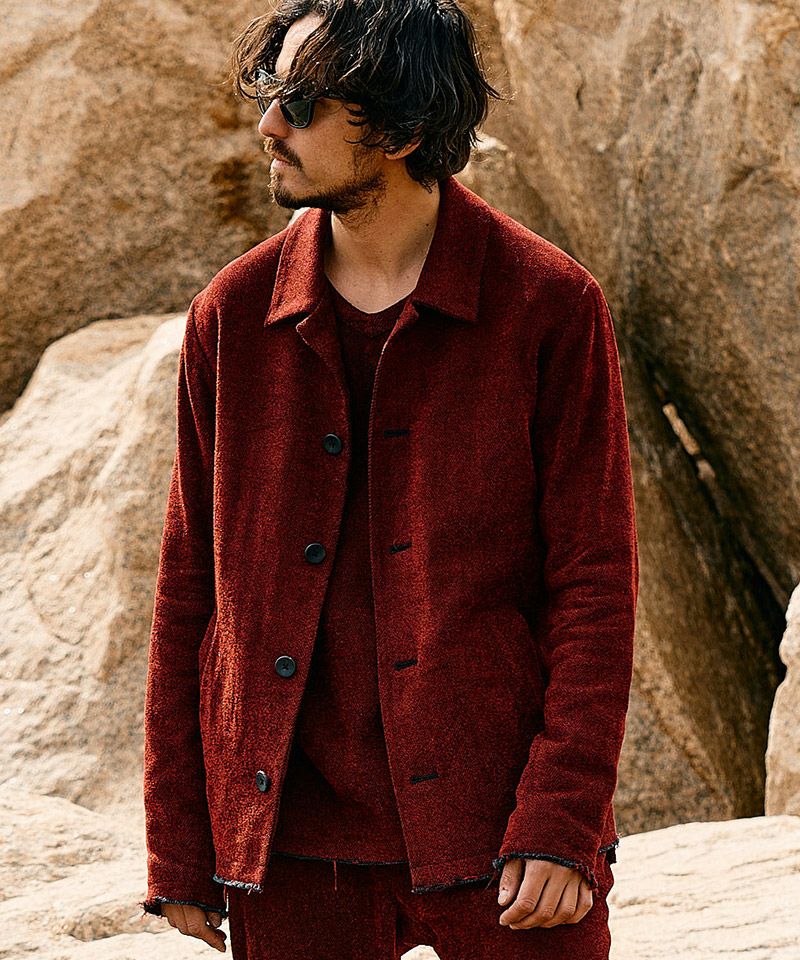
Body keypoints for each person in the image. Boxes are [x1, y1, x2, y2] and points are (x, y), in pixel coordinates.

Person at [138, 1, 639, 958]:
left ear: (403, 132)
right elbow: (190, 592)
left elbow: (594, 586)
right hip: (290, 846)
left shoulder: (550, 307)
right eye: (268, 91)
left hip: (503, 841)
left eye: (301, 102)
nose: (268, 125)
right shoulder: (231, 318)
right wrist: (180, 844)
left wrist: (563, 818)